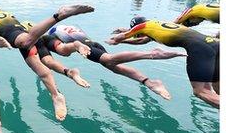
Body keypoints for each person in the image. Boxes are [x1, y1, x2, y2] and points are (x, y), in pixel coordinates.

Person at [0, 4, 94, 121]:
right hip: (40, 37)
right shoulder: (11, 16)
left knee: (29, 49)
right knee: (52, 58)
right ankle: (69, 71)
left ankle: (59, 16)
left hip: (22, 36)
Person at [44, 24, 185, 99]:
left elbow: (62, 51)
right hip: (94, 44)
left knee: (109, 60)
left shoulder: (49, 35)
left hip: (86, 47)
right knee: (113, 66)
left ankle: (151, 54)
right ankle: (148, 81)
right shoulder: (63, 27)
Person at [107, 16, 219, 108]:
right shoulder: (158, 24)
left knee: (201, 92)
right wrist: (127, 34)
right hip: (215, 44)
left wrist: (114, 40)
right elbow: (143, 40)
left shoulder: (142, 27)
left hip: (200, 50)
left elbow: (118, 38)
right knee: (215, 87)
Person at [20, 22, 90, 88]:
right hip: (46, 37)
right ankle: (75, 45)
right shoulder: (26, 24)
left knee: (48, 61)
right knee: (62, 49)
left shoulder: (18, 33)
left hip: (33, 41)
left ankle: (68, 72)